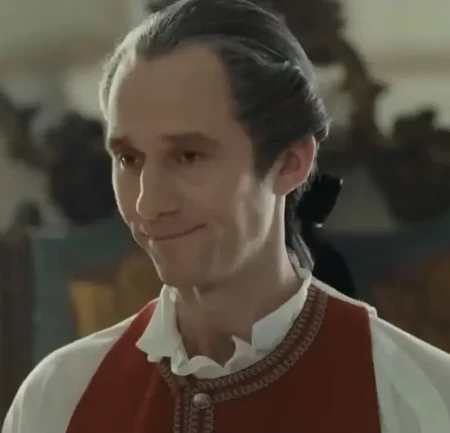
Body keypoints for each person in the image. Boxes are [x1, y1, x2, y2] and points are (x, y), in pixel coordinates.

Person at [3, 0, 450, 432]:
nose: (147, 204)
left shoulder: (421, 401)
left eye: (189, 155)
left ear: (290, 163)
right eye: (129, 159)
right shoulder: (58, 397)